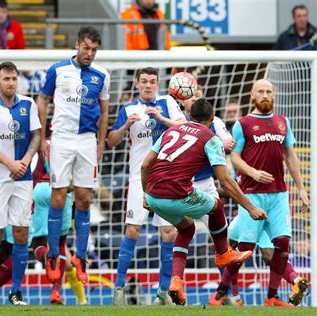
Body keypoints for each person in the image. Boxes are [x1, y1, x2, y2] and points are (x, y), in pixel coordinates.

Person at [141, 98, 267, 306]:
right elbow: (225, 181)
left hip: (153, 196)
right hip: (176, 193)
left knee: (186, 229)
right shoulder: (211, 138)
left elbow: (146, 166)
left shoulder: (170, 132)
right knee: (216, 206)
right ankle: (223, 254)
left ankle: (176, 282)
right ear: (212, 119)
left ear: (190, 116)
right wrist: (251, 207)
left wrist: (146, 196)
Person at [209, 79, 309, 307]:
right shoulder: (242, 124)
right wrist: (253, 172)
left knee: (282, 244)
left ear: (274, 95)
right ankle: (221, 292)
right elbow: (235, 157)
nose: (265, 95)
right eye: (260, 92)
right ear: (252, 96)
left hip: (279, 194)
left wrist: (302, 189)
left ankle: (272, 297)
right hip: (252, 194)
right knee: (245, 249)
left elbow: (290, 156)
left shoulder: (283, 122)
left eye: (269, 92)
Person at [37, 26, 110, 284]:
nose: (90, 53)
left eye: (94, 50)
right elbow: (42, 100)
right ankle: (54, 255)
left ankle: (80, 257)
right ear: (77, 44)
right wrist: (43, 135)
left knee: (84, 199)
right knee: (58, 197)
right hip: (62, 138)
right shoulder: (57, 70)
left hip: (87, 141)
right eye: (87, 48)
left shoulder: (102, 75)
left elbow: (104, 111)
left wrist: (100, 143)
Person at [0, 151, 87, 305]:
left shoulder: (2, 143)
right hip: (27, 196)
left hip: (7, 194)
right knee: (19, 252)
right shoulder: (40, 142)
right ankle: (54, 283)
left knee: (5, 251)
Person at [107, 67, 186, 305]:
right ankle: (119, 288)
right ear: (137, 84)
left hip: (165, 177)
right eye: (144, 81)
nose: (148, 85)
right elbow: (111, 141)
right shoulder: (129, 109)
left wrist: (161, 119)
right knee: (132, 230)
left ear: (157, 83)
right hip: (138, 179)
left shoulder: (168, 102)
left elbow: (183, 128)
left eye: (152, 81)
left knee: (169, 232)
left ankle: (164, 291)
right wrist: (124, 126)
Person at [0, 61, 41, 306]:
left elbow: (36, 135)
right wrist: (10, 163)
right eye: (6, 79)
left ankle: (16, 291)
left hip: (23, 178)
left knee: (21, 233)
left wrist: (24, 160)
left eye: (14, 78)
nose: (11, 82)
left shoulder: (28, 104)